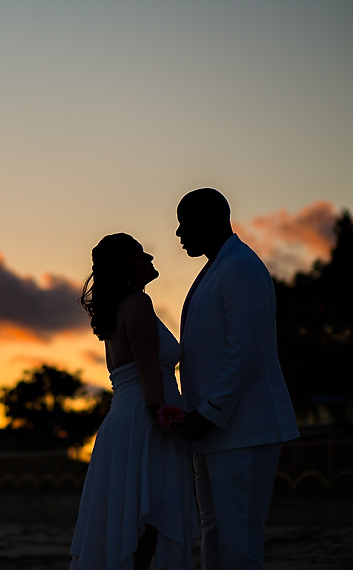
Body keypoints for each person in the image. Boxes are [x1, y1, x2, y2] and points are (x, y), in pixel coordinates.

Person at [175, 188, 300, 569]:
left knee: (239, 539)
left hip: (243, 429)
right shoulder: (218, 269)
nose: (179, 234)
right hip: (214, 432)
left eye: (185, 223)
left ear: (212, 220)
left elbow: (242, 352)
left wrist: (210, 411)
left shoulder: (241, 267)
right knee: (214, 533)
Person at [69, 233, 198, 569]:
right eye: (142, 256)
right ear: (126, 269)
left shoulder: (120, 308)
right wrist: (168, 419)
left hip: (127, 419)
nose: (151, 259)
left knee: (140, 523)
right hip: (146, 421)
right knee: (149, 521)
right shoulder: (137, 303)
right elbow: (147, 366)